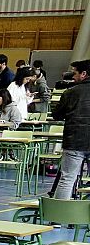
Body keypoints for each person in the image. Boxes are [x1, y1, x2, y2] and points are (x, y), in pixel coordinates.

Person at [50, 59, 90, 199]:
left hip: (74, 141)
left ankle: (58, 218)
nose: (72, 76)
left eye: (75, 73)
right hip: (76, 140)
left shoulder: (70, 92)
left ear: (83, 74)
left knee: (67, 179)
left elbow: (56, 115)